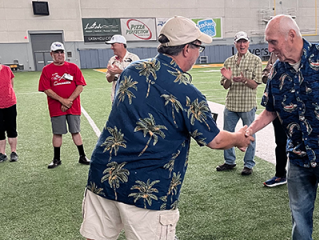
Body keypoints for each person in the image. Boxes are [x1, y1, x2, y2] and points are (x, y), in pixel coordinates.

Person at [80, 16, 254, 240]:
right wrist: (240, 138)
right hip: (147, 189)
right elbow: (216, 140)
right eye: (198, 47)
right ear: (186, 49)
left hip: (103, 174)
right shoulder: (187, 92)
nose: (199, 53)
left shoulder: (132, 70)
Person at [246, 15, 319, 240]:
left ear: (291, 35)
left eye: (273, 42)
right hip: (299, 158)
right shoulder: (277, 70)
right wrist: (248, 131)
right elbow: (270, 110)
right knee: (299, 219)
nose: (270, 48)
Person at [216, 31, 263, 176]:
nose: (242, 44)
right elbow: (225, 85)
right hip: (231, 104)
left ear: (248, 43)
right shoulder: (228, 61)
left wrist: (244, 80)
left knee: (249, 134)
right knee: (226, 134)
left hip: (247, 105)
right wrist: (229, 79)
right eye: (239, 42)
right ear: (235, 44)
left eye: (244, 42)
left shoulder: (255, 60)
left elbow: (255, 84)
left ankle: (248, 164)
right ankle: (229, 161)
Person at [38, 42, 90, 169]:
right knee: (57, 133)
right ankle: (56, 159)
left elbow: (80, 86)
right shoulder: (47, 70)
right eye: (56, 52)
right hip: (56, 108)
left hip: (73, 106)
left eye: (61, 52)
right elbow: (46, 89)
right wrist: (63, 101)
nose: (60, 55)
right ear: (51, 54)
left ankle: (82, 156)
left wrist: (69, 101)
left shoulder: (73, 67)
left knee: (75, 131)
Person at [261, 53, 288, 187]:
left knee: (302, 142)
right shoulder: (274, 55)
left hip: (298, 108)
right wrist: (269, 73)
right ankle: (280, 174)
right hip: (277, 105)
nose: (270, 48)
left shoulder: (302, 53)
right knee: (281, 142)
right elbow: (265, 77)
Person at [105, 35, 140, 102]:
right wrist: (112, 74)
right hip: (116, 98)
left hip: (131, 98)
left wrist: (120, 72)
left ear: (121, 44)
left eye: (113, 45)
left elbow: (138, 76)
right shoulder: (112, 60)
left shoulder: (134, 58)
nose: (111, 47)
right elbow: (109, 80)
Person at [0, 64, 18, 162]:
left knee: (11, 128)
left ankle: (13, 152)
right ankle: (2, 153)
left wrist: (8, 95)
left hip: (10, 103)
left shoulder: (6, 69)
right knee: (0, 130)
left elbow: (11, 83)